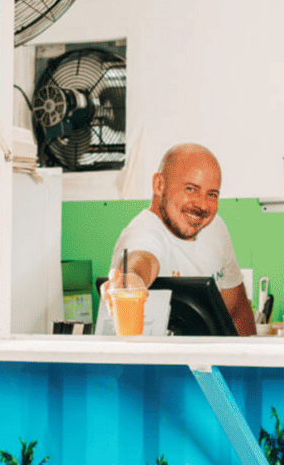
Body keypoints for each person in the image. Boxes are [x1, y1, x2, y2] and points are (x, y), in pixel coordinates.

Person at [108, 143, 256, 336]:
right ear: (159, 185)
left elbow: (236, 311)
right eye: (191, 189)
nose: (202, 205)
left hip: (203, 364)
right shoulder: (144, 232)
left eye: (212, 194)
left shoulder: (216, 228)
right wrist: (132, 280)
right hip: (148, 365)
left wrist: (248, 365)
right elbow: (141, 260)